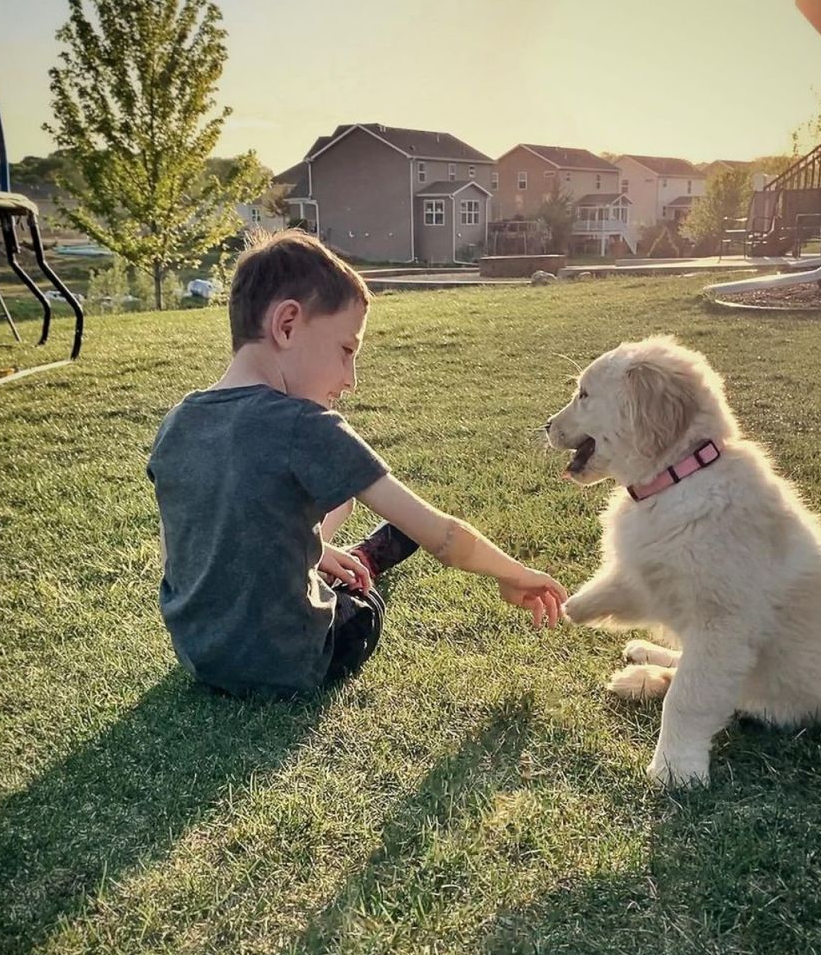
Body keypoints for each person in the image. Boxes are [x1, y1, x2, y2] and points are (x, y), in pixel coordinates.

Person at [147, 229, 566, 699]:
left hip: (199, 657)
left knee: (331, 502)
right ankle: (361, 560)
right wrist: (515, 574)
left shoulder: (176, 423)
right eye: (347, 351)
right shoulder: (306, 425)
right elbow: (445, 539)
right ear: (287, 324)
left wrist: (315, 553)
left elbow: (183, 555)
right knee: (363, 605)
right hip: (291, 664)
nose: (350, 380)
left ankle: (322, 557)